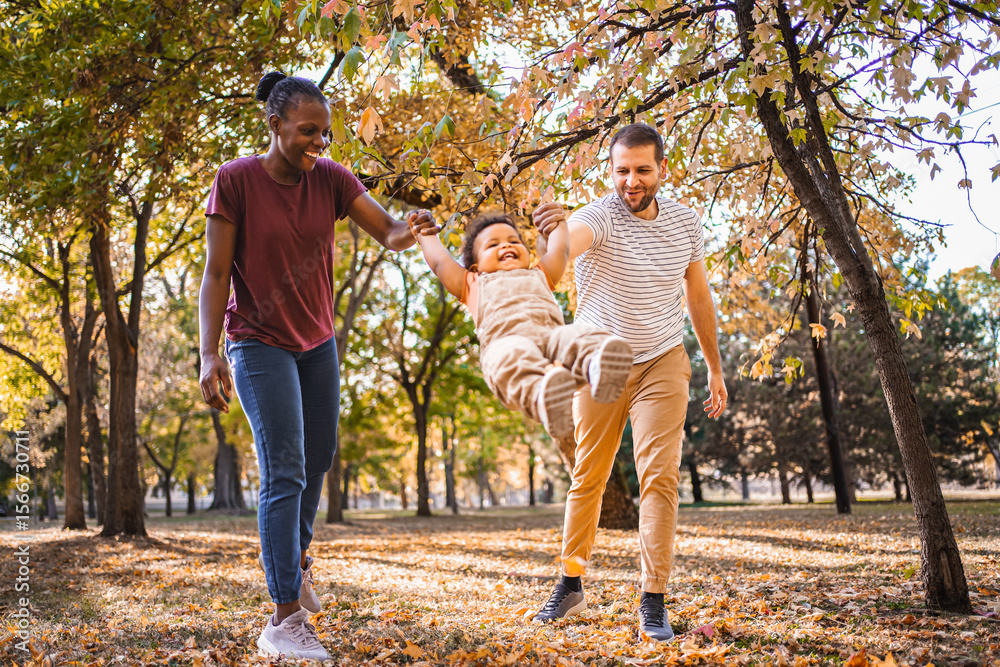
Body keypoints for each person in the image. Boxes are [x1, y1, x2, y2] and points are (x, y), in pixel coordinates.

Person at [198, 71, 437, 660]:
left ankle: (297, 560)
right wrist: (209, 353)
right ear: (274, 124)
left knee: (319, 456)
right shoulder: (236, 180)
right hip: (257, 341)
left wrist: (416, 227)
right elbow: (216, 273)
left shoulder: (330, 178)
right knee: (285, 469)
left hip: (317, 341)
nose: (319, 142)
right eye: (308, 131)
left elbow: (390, 232)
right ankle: (284, 616)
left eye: (325, 133)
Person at [531, 123, 727, 642]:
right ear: (611, 171)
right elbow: (566, 249)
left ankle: (653, 599)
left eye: (642, 170)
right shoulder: (598, 215)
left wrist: (714, 366)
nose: (631, 181)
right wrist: (552, 238)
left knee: (659, 478)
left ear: (662, 168)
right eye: (622, 171)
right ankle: (570, 585)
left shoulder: (685, 223)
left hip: (663, 361)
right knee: (589, 475)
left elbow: (698, 297)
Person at [409, 209, 634, 439]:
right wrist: (425, 234)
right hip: (508, 343)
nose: (506, 245)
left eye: (514, 241)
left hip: (553, 339)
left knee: (578, 335)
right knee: (511, 358)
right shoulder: (472, 284)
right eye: (493, 245)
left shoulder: (541, 274)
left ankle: (598, 365)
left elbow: (560, 249)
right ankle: (544, 396)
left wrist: (558, 223)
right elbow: (440, 262)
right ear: (475, 267)